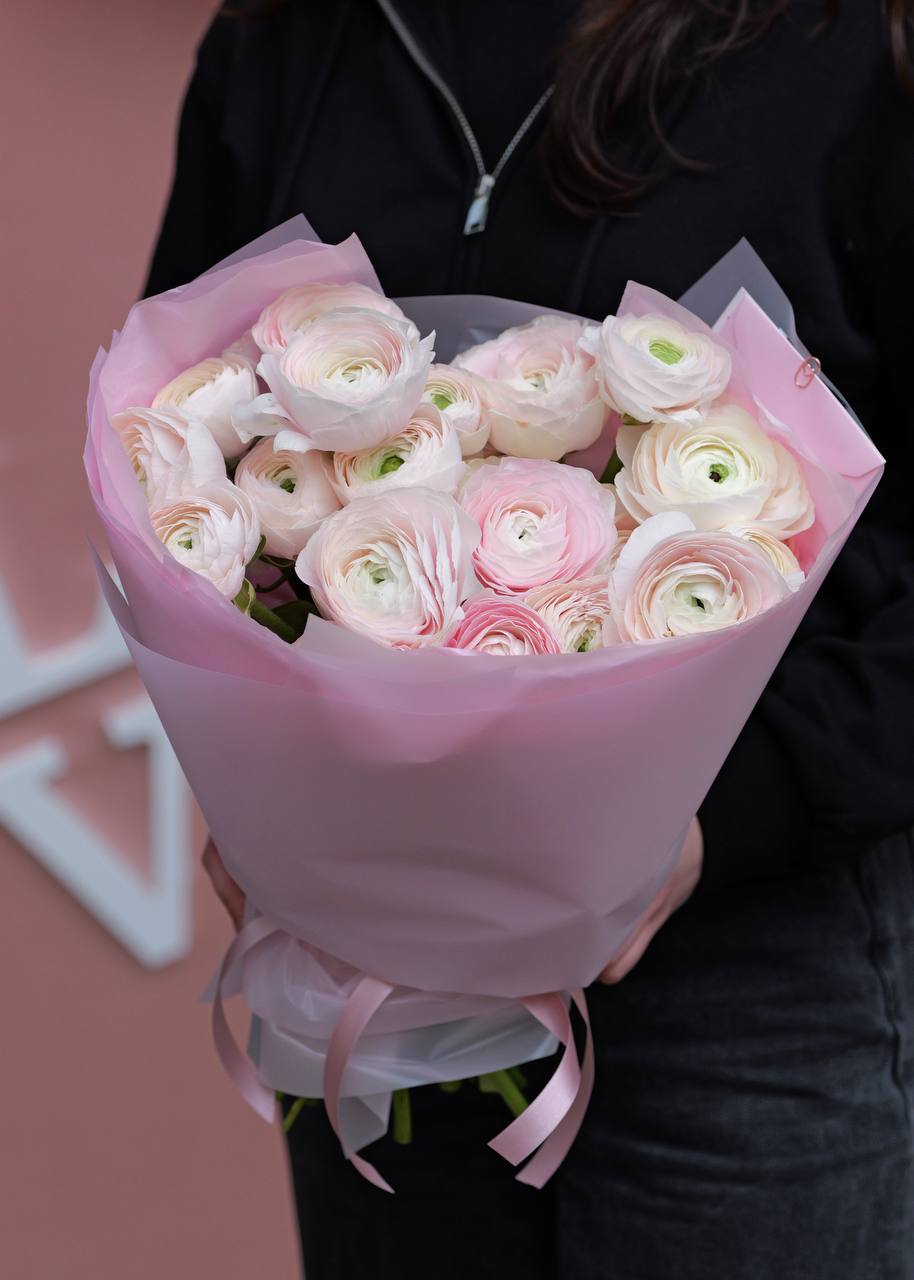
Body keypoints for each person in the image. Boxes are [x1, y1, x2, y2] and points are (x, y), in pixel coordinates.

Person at [146, 2, 914, 1276]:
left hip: (761, 980)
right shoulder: (294, 36)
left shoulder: (855, 44)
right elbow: (176, 457)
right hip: (376, 964)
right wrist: (260, 782)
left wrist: (737, 804)